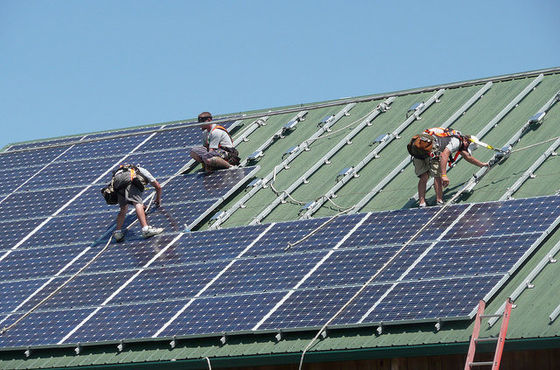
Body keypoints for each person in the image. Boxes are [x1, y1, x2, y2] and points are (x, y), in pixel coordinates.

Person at [411, 127, 489, 207]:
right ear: (466, 141)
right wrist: (444, 175)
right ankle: (439, 201)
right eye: (466, 147)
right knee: (437, 176)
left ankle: (422, 203)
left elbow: (467, 156)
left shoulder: (455, 135)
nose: (465, 149)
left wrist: (481, 164)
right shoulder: (457, 141)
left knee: (423, 177)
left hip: (417, 147)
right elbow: (445, 154)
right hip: (431, 148)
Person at [112, 164, 164, 242]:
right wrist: (157, 199)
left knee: (123, 208)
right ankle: (146, 229)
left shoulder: (122, 170)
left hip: (116, 181)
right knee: (137, 203)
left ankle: (117, 233)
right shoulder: (143, 171)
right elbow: (158, 187)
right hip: (129, 178)